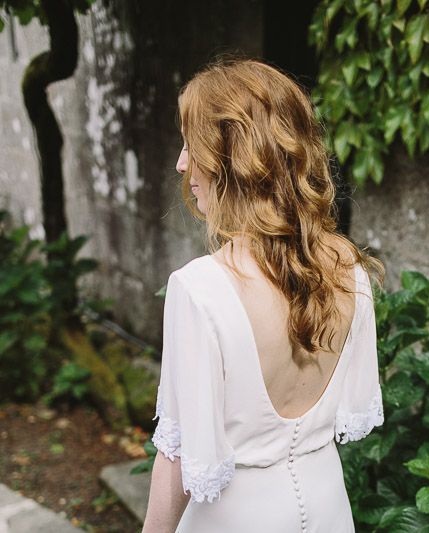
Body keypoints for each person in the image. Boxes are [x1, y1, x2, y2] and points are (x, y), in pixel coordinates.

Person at [141, 57, 385, 533]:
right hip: (328, 506)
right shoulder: (348, 268)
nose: (181, 164)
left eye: (191, 145)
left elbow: (178, 458)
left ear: (234, 158)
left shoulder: (199, 288)